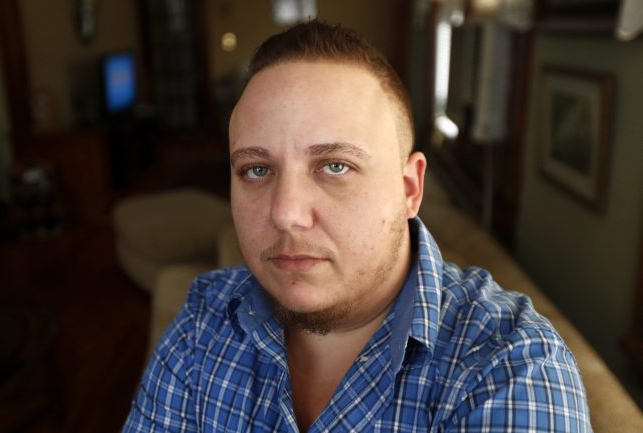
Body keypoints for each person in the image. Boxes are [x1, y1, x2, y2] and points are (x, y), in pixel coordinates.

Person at [123, 21, 591, 432]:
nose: (285, 213)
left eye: (335, 166)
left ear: (410, 189)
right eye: (257, 170)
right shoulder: (204, 321)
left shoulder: (511, 370)